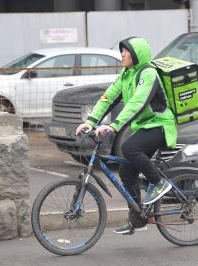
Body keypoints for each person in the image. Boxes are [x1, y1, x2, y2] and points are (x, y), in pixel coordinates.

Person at [75, 37, 177, 234]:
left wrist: (113, 126)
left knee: (129, 148)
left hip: (161, 125)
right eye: (122, 51)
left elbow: (137, 103)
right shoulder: (126, 74)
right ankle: (138, 219)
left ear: (137, 54)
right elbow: (108, 98)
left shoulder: (148, 74)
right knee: (126, 169)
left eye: (126, 51)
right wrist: (90, 121)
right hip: (144, 126)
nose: (122, 54)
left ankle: (159, 182)